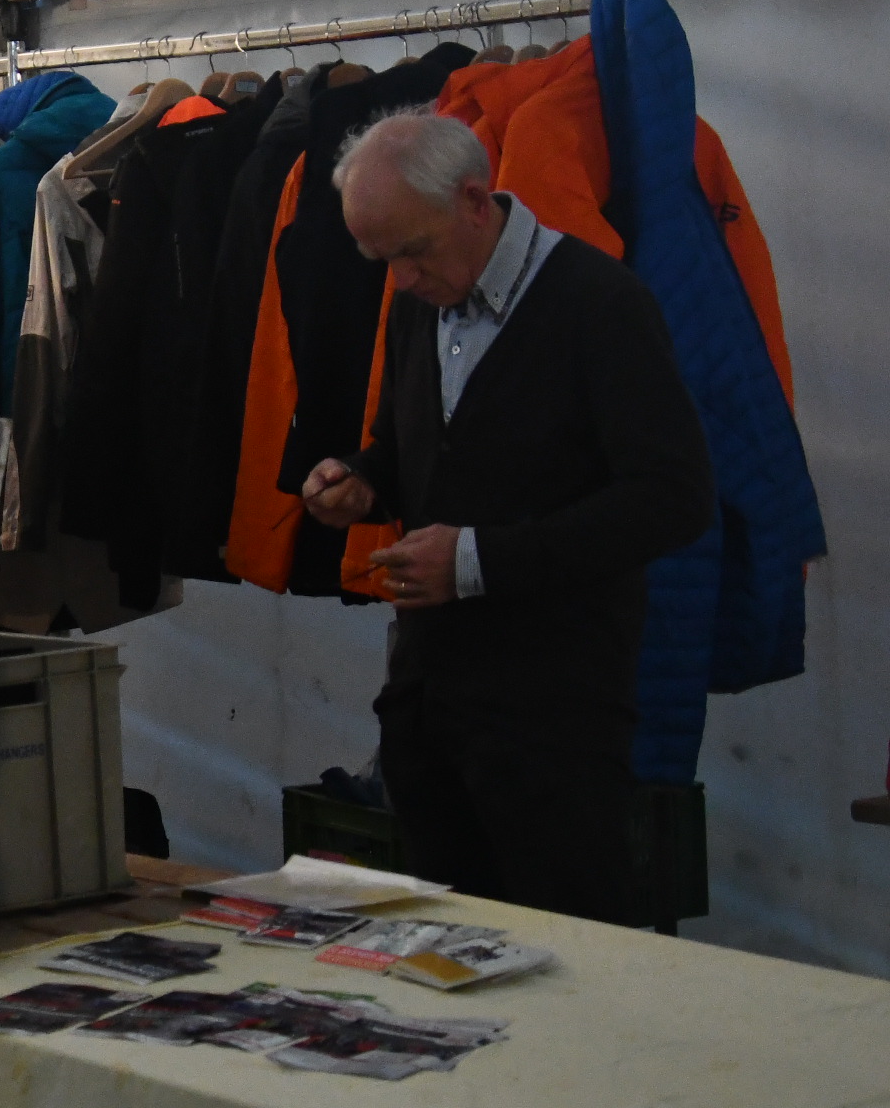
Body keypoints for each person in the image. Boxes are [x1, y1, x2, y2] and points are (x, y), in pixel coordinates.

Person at [300, 109, 713, 924]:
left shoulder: (600, 304)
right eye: (382, 261)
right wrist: (361, 481)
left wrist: (478, 561)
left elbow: (674, 498)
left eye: (412, 251)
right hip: (430, 702)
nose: (401, 279)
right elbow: (410, 449)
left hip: (555, 714)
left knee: (570, 952)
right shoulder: (419, 301)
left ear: (474, 201)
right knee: (448, 947)